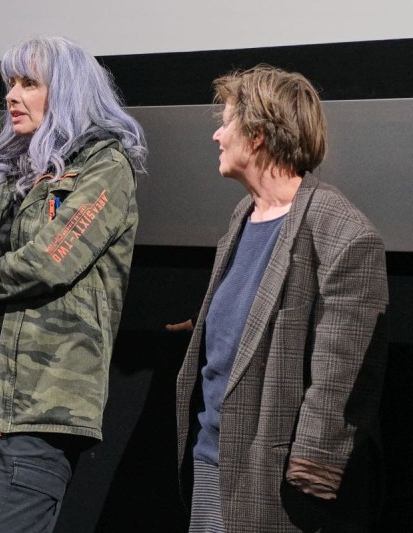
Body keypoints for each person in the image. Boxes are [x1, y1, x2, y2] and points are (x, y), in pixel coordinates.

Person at [0, 35, 147, 532]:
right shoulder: (14, 179)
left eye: (29, 83)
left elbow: (49, 262)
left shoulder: (105, 166)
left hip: (41, 408)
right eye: (10, 84)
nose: (11, 96)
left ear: (68, 91)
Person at [175, 64, 389, 532]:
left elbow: (341, 374)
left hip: (275, 486)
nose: (216, 136)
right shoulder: (243, 215)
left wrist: (309, 477)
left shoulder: (342, 233)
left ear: (256, 136)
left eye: (226, 123)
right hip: (212, 460)